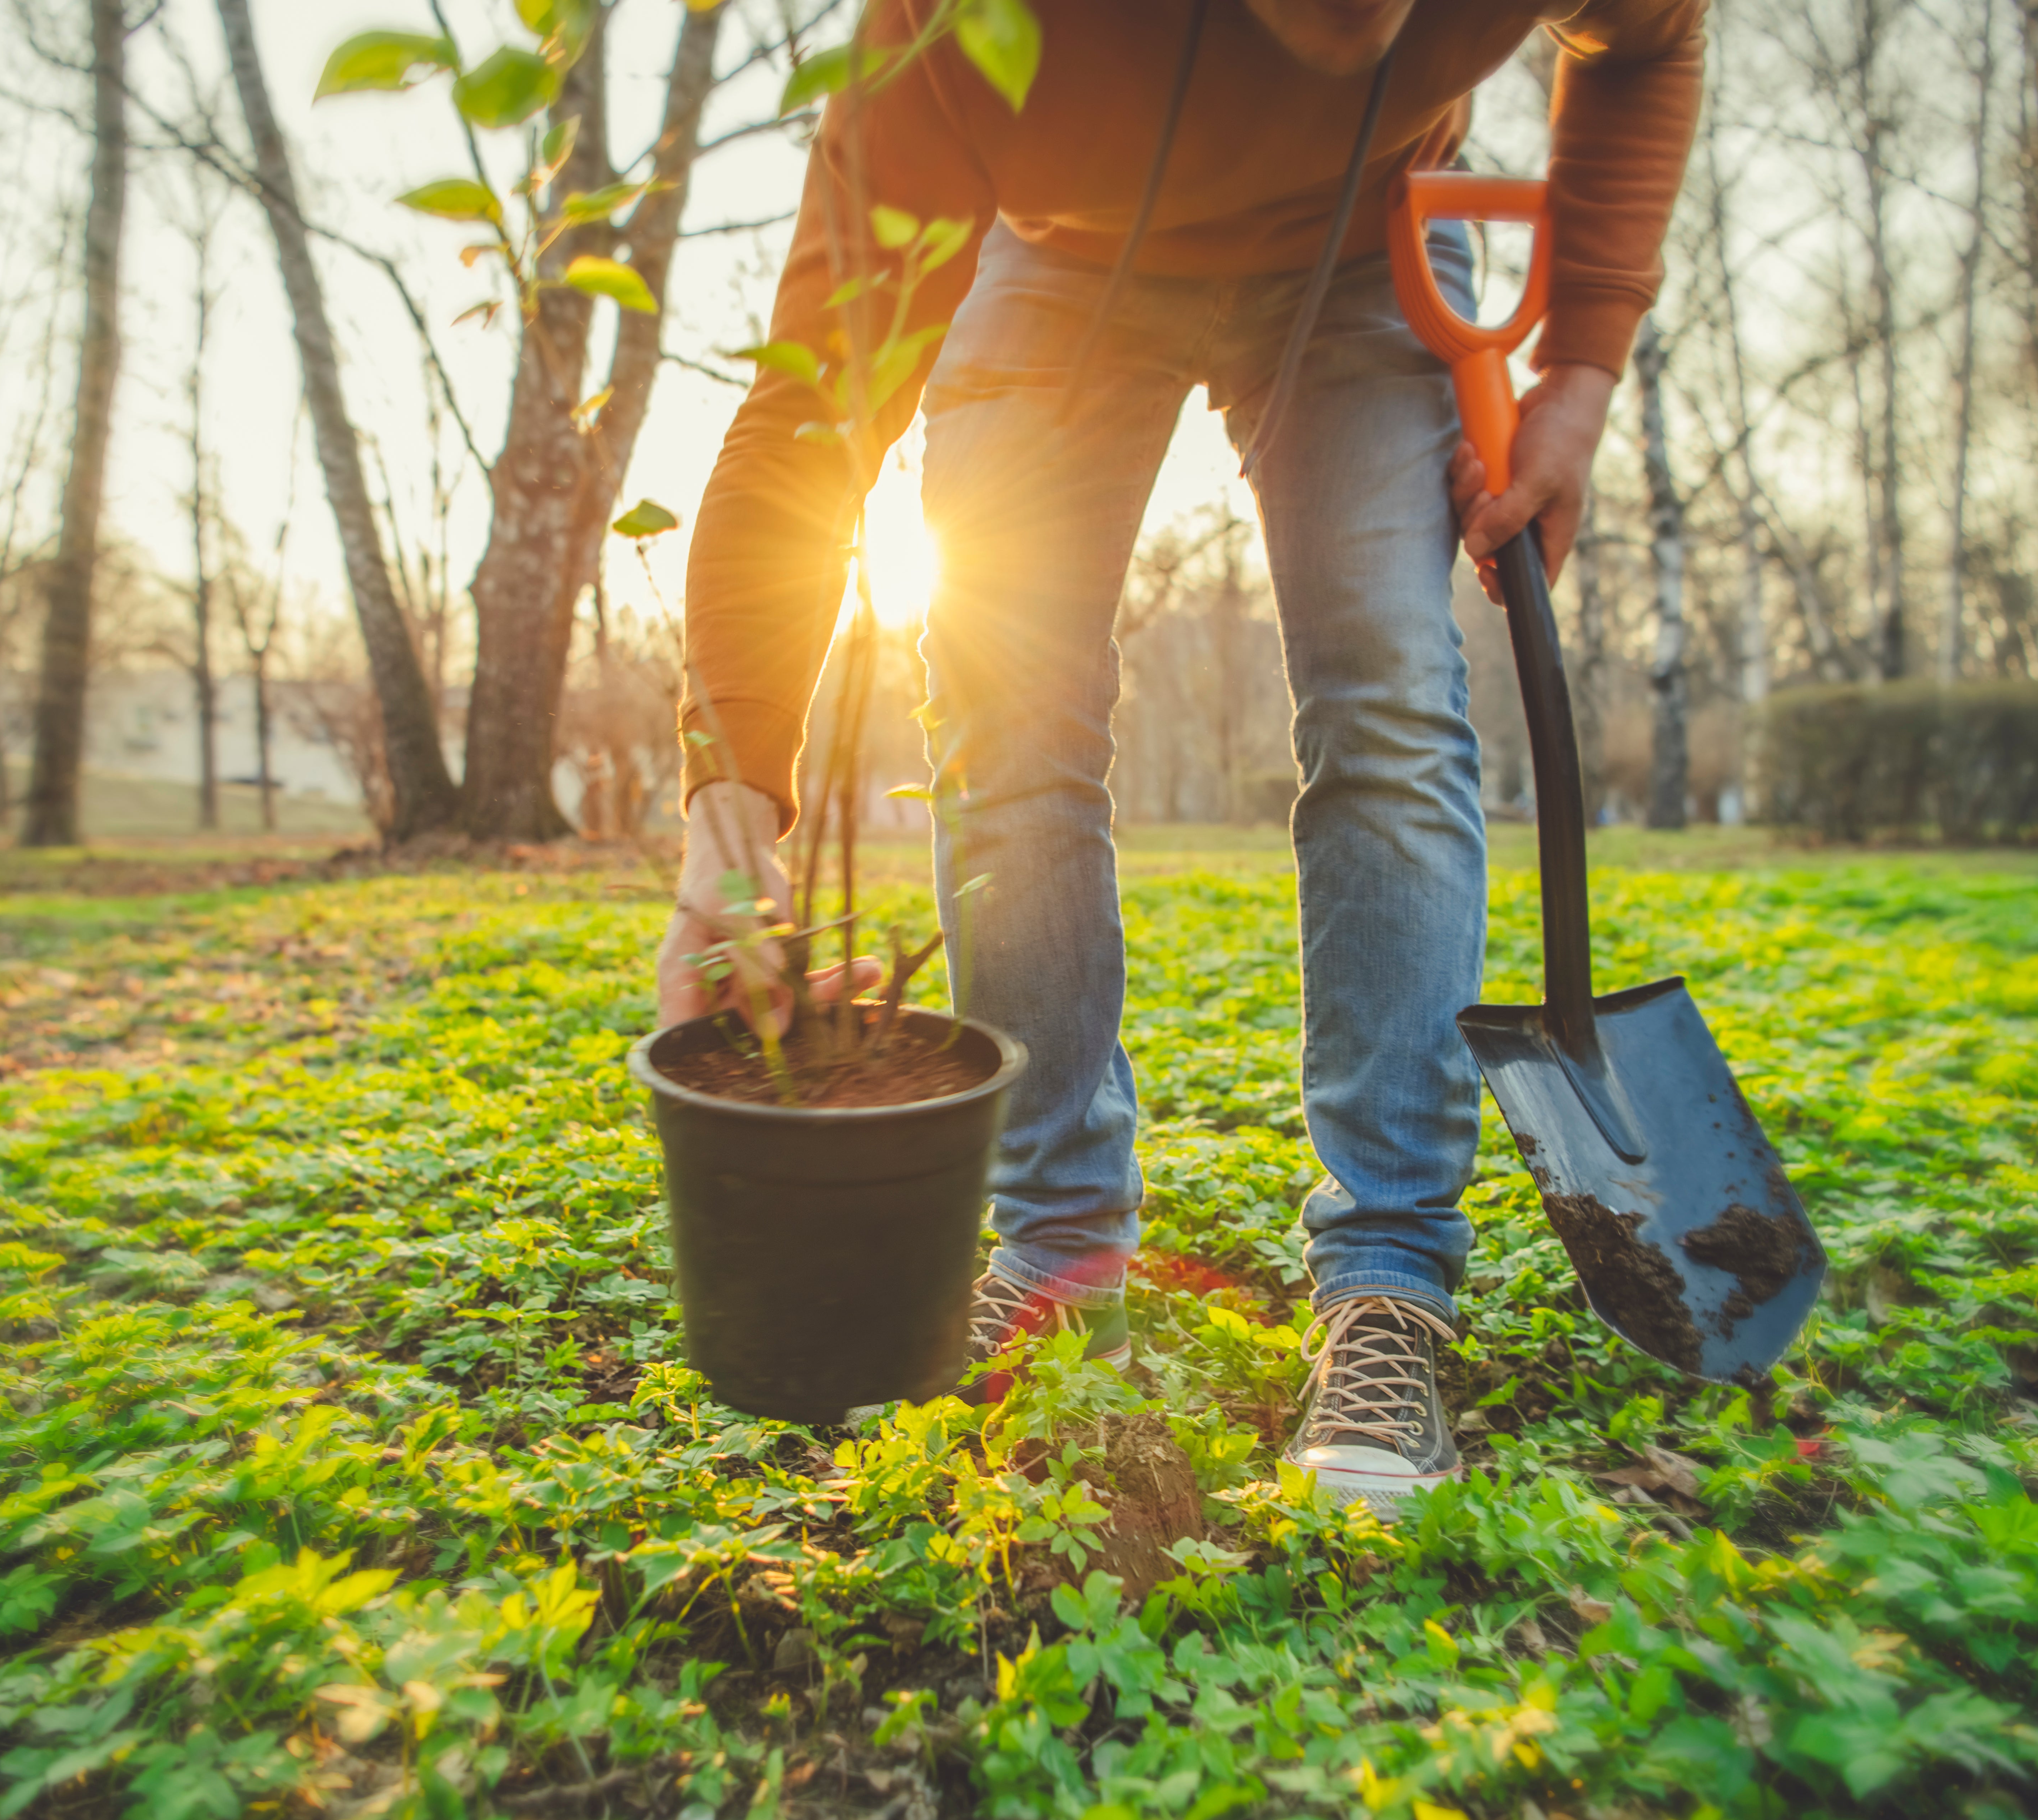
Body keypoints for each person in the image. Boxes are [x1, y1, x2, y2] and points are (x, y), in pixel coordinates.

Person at [657, 0, 1703, 1516]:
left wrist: (1584, 374)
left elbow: (1650, 41)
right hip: (1054, 259)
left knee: (1390, 695)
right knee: (1005, 709)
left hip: (1371, 245)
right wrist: (728, 812)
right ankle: (1059, 1256)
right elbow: (813, 403)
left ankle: (1390, 1278)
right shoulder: (958, 28)